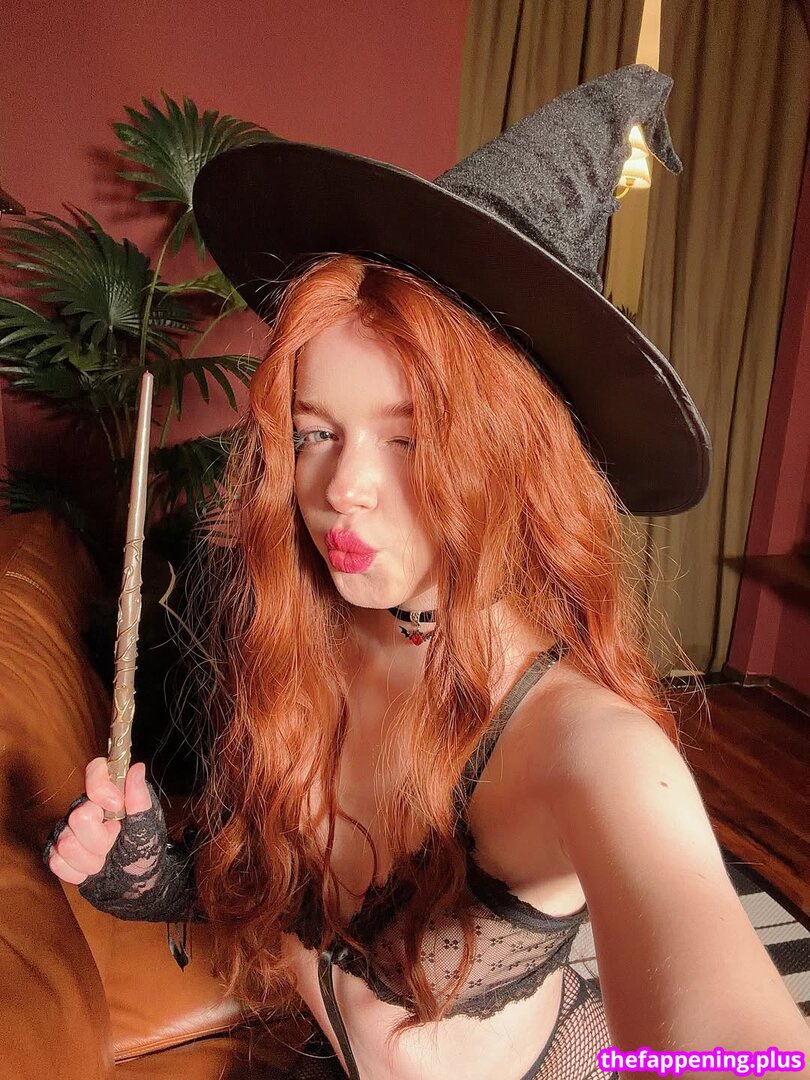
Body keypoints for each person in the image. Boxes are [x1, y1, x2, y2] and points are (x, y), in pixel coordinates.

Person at [43, 66, 810, 1080]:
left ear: (517, 462)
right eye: (315, 432)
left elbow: (743, 1045)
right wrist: (151, 872)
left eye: (409, 440)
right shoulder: (306, 631)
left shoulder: (587, 745)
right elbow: (291, 906)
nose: (341, 490)